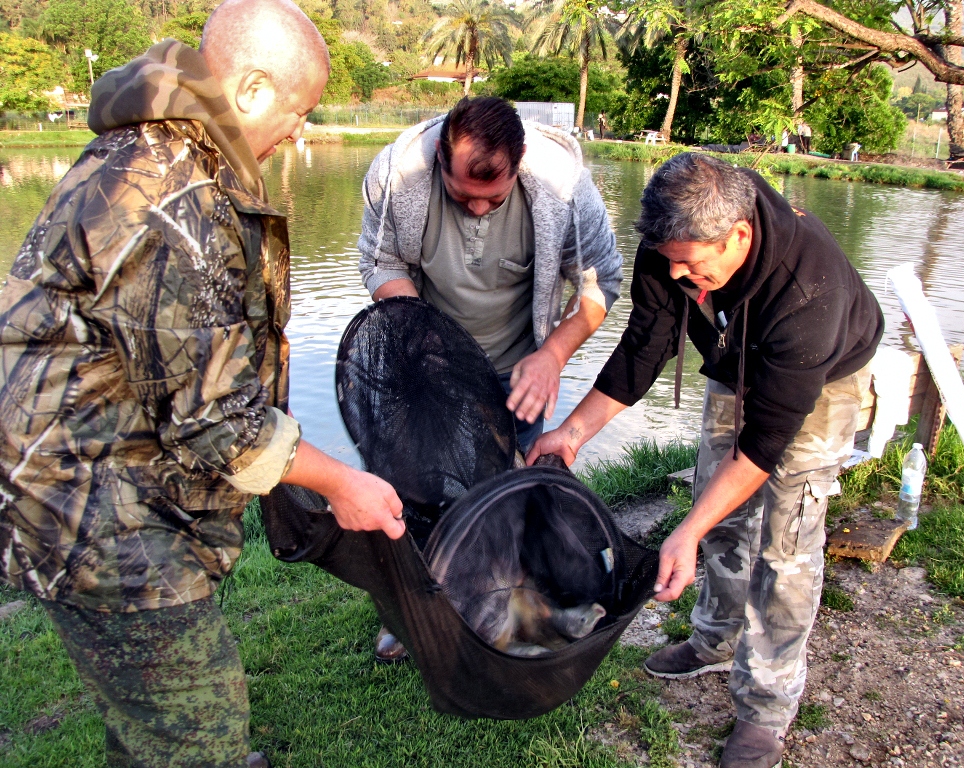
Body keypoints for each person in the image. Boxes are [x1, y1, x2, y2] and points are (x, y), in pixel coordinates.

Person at [0, 2, 405, 766]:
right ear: (251, 90)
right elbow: (217, 421)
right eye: (300, 111)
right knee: (197, 730)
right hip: (91, 510)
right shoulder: (166, 194)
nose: (302, 132)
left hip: (121, 488)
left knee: (156, 726)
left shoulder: (178, 158)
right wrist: (343, 483)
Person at [528, 153, 883, 768]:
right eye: (670, 261)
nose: (679, 274)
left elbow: (766, 444)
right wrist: (573, 432)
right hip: (731, 366)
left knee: (786, 546)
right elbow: (646, 347)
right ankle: (713, 638)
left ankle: (765, 709)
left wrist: (682, 535)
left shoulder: (807, 290)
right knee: (713, 512)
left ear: (738, 235)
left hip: (820, 384)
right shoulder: (672, 246)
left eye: (691, 263)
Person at [358, 95, 622, 662]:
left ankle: (506, 607)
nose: (477, 209)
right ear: (439, 166)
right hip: (425, 369)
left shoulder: (565, 190)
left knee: (510, 495)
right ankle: (414, 615)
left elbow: (602, 286)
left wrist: (553, 354)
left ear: (520, 162)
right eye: (462, 196)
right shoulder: (397, 174)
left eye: (493, 197)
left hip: (519, 370)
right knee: (418, 496)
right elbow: (380, 263)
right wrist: (425, 335)